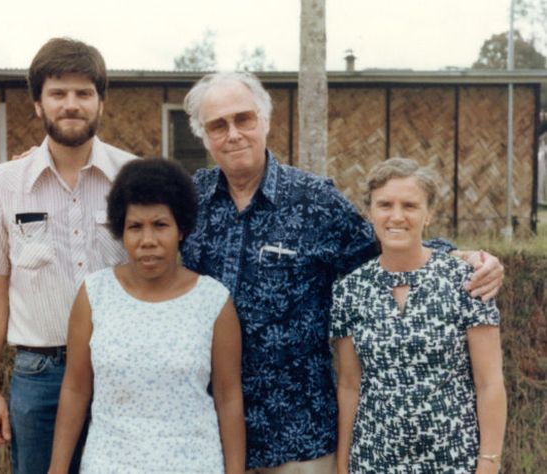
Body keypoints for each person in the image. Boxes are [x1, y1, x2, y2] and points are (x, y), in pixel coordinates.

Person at [179, 71, 505, 473]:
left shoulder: (316, 201)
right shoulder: (188, 201)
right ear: (203, 135)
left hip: (301, 435)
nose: (233, 134)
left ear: (264, 120)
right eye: (218, 125)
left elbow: (382, 250)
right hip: (208, 431)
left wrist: (462, 257)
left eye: (243, 119)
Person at [0, 37, 136, 473]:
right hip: (40, 378)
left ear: (101, 102)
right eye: (58, 93)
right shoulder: (3, 185)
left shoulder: (134, 177)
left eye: (83, 93)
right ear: (38, 104)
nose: (71, 104)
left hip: (124, 372)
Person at [48, 158, 245, 473]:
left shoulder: (213, 301)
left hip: (193, 464)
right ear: (121, 231)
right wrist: (57, 469)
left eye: (161, 225)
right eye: (135, 227)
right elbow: (75, 388)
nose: (148, 240)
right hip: (109, 464)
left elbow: (228, 396)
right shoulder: (94, 295)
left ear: (181, 229)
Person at [331, 158, 507, 473]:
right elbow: (349, 386)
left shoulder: (466, 280)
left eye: (410, 206)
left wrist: (489, 465)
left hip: (454, 462)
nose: (396, 216)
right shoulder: (350, 291)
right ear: (370, 213)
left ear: (428, 215)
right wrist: (343, 466)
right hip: (374, 461)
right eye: (384, 205)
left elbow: (489, 383)